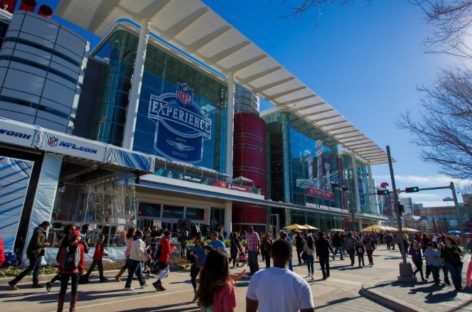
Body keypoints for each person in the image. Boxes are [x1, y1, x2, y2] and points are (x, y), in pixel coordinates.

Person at [246, 239, 315, 312]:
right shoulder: (301, 284)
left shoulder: (257, 277)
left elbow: (250, 308)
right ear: (290, 256)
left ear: (270, 254)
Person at [9, 221, 51, 290]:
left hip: (39, 252)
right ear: (44, 225)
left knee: (37, 268)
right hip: (34, 252)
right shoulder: (38, 231)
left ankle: (35, 282)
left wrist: (46, 242)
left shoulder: (42, 231)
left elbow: (42, 240)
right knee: (31, 268)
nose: (47, 228)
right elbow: (36, 243)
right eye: (47, 227)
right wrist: (45, 244)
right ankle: (13, 282)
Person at [57, 230, 84, 312]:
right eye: (80, 236)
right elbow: (82, 260)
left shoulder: (65, 246)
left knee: (63, 289)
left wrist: (60, 269)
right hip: (75, 271)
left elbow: (61, 259)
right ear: (77, 237)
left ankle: (59, 308)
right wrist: (81, 269)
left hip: (65, 271)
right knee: (74, 290)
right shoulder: (80, 246)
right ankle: (72, 308)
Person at [46, 224, 76, 292]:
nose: (74, 230)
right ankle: (50, 283)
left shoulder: (69, 236)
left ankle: (57, 283)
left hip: (66, 256)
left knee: (64, 272)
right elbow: (68, 246)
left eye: (74, 229)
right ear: (68, 230)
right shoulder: (68, 237)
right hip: (64, 256)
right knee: (63, 272)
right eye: (72, 229)